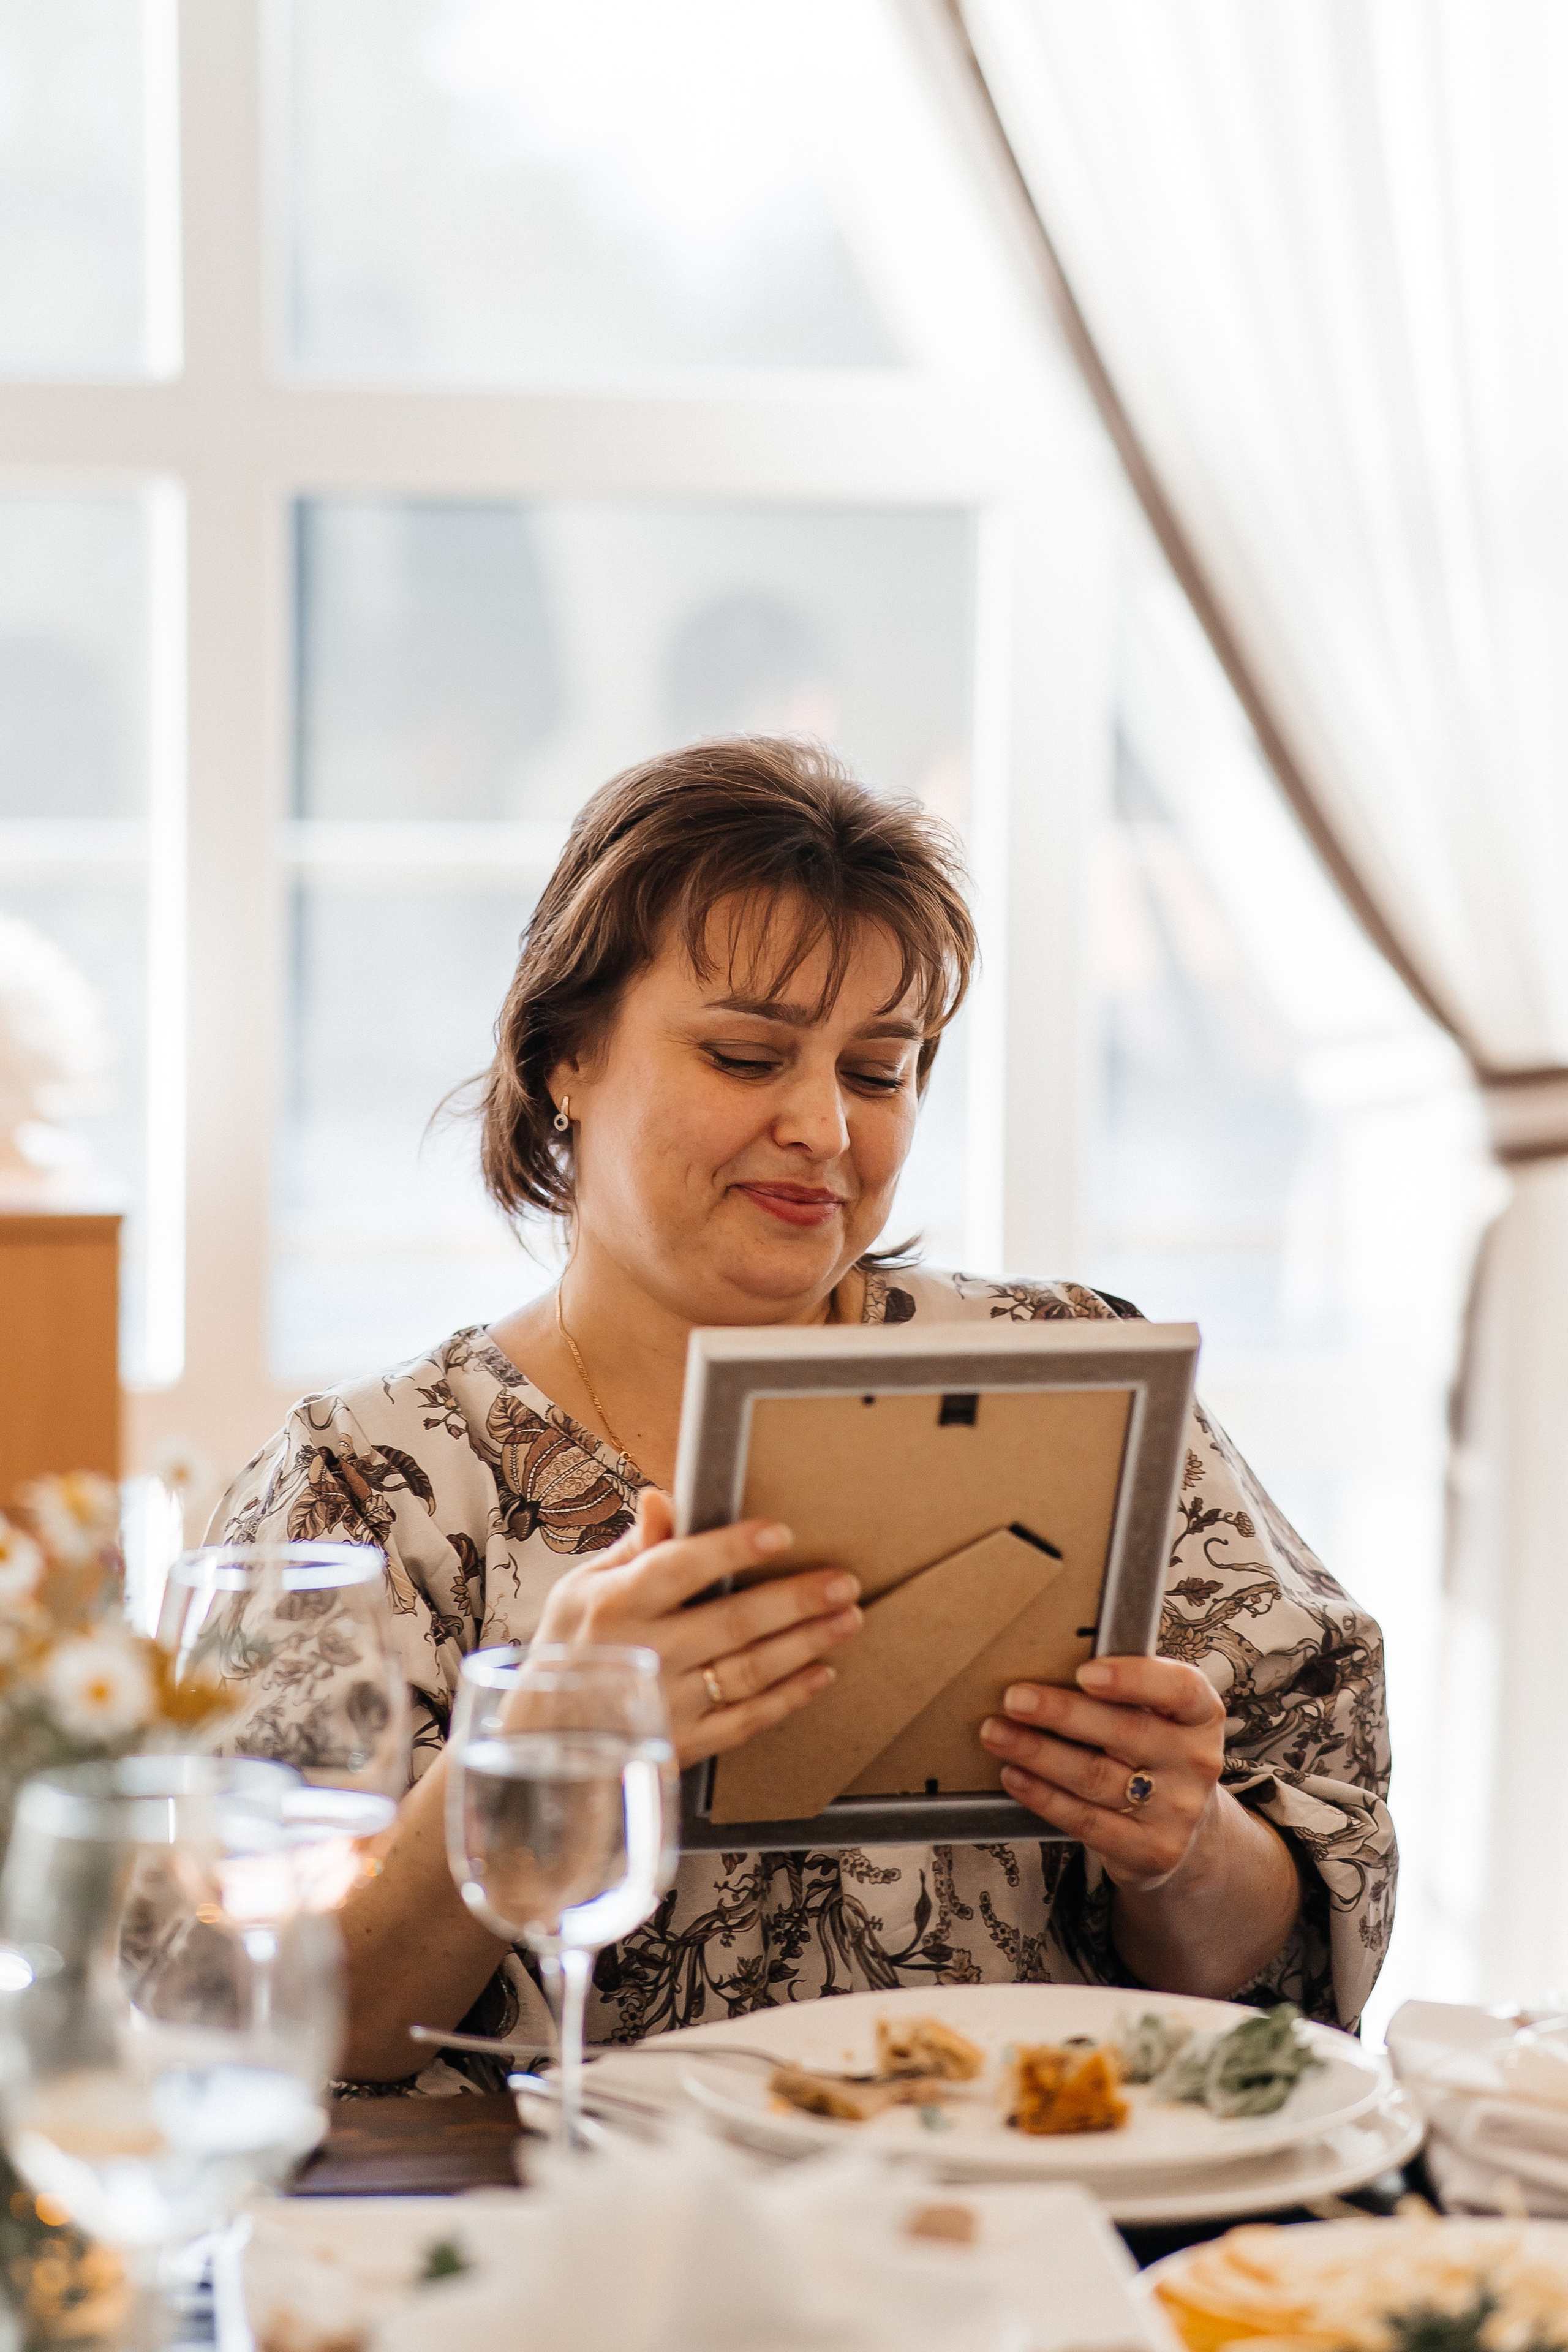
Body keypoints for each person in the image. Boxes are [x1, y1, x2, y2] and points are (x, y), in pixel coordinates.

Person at [213, 736, 1395, 2090]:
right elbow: (282, 2025)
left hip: (1037, 2237)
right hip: (572, 2267)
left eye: (878, 1071)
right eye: (744, 1054)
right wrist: (527, 1753)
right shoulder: (363, 1491)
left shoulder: (1074, 1381)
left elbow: (1270, 1971)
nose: (825, 1130)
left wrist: (1178, 1845)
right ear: (562, 1058)